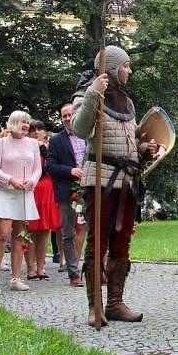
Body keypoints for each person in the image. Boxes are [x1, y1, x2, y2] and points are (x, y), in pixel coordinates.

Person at [72, 46, 157, 326]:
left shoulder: (127, 102)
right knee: (98, 241)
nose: (129, 71)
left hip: (127, 180)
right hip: (101, 179)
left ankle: (115, 303)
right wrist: (94, 93)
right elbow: (81, 130)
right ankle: (94, 305)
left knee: (122, 242)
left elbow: (128, 140)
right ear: (111, 68)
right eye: (125, 66)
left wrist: (144, 148)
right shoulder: (86, 95)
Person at [0, 110, 42, 296]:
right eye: (22, 122)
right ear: (13, 122)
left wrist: (31, 181)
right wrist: (10, 180)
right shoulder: (1, 143)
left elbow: (37, 168)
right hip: (5, 192)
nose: (25, 125)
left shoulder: (33, 144)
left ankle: (15, 277)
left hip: (25, 192)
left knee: (21, 236)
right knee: (2, 235)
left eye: (27, 122)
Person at [46, 103, 87, 286]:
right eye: (64, 116)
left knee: (94, 229)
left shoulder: (88, 135)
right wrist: (70, 171)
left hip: (89, 188)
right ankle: (73, 272)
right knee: (68, 232)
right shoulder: (56, 140)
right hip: (66, 190)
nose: (68, 119)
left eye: (70, 115)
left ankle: (96, 270)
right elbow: (50, 166)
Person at [26, 120, 60, 280]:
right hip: (32, 188)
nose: (37, 132)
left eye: (40, 129)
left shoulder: (49, 147)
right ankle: (30, 268)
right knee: (31, 230)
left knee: (44, 230)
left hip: (47, 189)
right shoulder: (25, 147)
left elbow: (52, 167)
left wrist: (43, 149)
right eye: (33, 130)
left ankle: (41, 267)